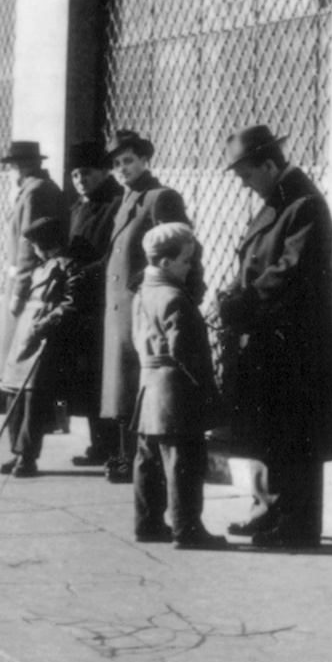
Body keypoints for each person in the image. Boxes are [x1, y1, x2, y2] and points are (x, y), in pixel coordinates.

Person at [218, 125, 332, 549]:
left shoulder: (304, 205)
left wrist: (246, 301)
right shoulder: (278, 201)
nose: (245, 185)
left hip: (297, 343)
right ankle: (268, 511)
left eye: (247, 175)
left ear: (268, 164)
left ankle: (296, 524)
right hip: (271, 337)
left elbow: (291, 270)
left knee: (296, 436)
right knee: (270, 431)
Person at [99, 130, 188, 484]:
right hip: (120, 310)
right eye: (116, 163)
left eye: (129, 161)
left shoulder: (160, 198)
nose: (122, 168)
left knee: (138, 384)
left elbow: (179, 250)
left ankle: (138, 461)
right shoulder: (127, 199)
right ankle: (126, 457)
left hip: (143, 309)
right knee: (123, 387)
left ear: (144, 160)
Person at [130, 223, 226, 548]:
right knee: (183, 461)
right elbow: (188, 352)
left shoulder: (143, 292)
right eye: (186, 261)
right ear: (167, 263)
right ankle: (187, 529)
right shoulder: (175, 298)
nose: (190, 267)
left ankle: (147, 524)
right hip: (177, 392)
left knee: (148, 459)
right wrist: (209, 391)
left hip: (149, 387)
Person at [0, 216, 87, 476]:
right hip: (25, 336)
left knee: (32, 400)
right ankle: (16, 452)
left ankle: (28, 456)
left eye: (36, 244)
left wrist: (46, 325)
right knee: (13, 395)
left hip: (43, 339)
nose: (34, 249)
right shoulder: (39, 268)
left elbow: (71, 304)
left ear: (46, 243)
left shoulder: (69, 267)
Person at [66, 141, 124, 468]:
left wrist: (86, 273)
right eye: (74, 174)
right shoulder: (77, 207)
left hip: (105, 300)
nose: (80, 180)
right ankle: (98, 444)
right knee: (86, 377)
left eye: (86, 173)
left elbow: (112, 255)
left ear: (103, 172)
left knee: (108, 376)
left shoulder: (115, 205)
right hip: (81, 303)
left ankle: (114, 447)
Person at [0, 140, 66, 376]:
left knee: (19, 352)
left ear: (22, 167)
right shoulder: (37, 189)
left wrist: (19, 291)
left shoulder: (36, 192)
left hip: (32, 283)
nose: (11, 173)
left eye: (13, 167)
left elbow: (28, 245)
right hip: (33, 280)